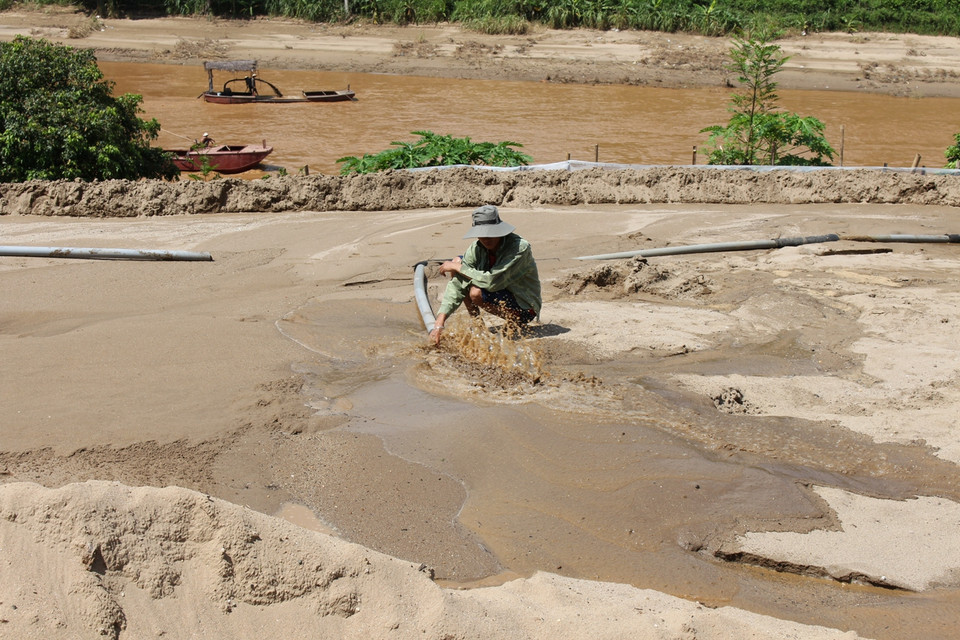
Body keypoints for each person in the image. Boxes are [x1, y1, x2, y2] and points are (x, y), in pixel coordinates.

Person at [430, 205, 541, 345]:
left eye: (490, 234)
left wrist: (457, 267)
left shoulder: (519, 248)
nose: (486, 239)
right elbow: (457, 285)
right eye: (482, 234)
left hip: (525, 306)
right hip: (501, 292)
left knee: (474, 290)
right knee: (458, 264)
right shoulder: (477, 248)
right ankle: (477, 324)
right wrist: (440, 322)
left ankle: (516, 321)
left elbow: (491, 281)